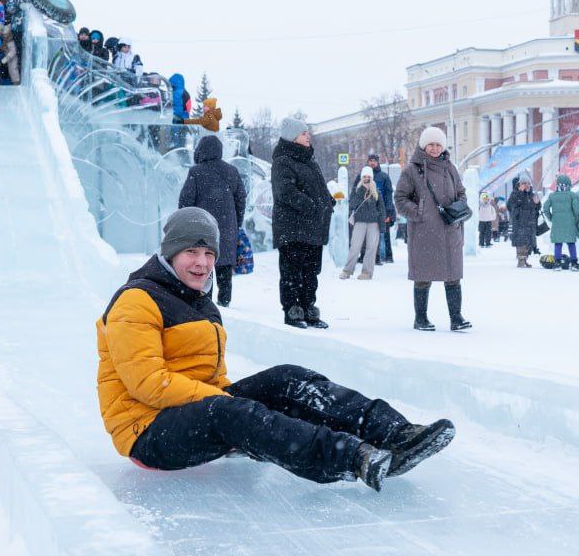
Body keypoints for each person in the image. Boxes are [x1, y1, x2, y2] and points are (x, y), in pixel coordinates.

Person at [96, 207, 456, 491]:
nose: (202, 263)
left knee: (286, 378)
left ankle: (394, 433)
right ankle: (352, 457)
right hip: (146, 432)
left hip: (199, 410)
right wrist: (232, 407)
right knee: (231, 411)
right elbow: (149, 383)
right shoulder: (137, 300)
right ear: (170, 252)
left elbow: (212, 377)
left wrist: (239, 405)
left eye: (208, 253)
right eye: (191, 251)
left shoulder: (200, 302)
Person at [395, 127, 471, 331]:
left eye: (438, 145)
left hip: (450, 229)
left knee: (453, 276)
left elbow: (462, 192)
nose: (435, 148)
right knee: (423, 277)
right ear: (424, 145)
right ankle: (420, 319)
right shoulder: (412, 170)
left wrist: (458, 207)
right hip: (424, 232)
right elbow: (400, 199)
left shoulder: (450, 167)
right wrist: (419, 212)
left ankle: (456, 318)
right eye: (431, 144)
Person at [271, 118, 335, 328]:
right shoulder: (282, 161)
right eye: (303, 133)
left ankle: (308, 308)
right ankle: (292, 311)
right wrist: (312, 205)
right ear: (293, 137)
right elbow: (285, 192)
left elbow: (317, 188)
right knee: (292, 272)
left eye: (307, 132)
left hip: (312, 228)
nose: (308, 136)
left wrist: (327, 200)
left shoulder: (309, 160)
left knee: (310, 272)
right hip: (292, 228)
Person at [178, 133, 246, 308]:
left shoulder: (196, 172)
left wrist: (186, 224)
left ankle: (204, 302)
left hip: (202, 228)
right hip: (227, 228)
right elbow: (241, 199)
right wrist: (236, 223)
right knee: (224, 267)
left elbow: (185, 201)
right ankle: (224, 302)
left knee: (203, 265)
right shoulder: (232, 171)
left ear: (200, 151)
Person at [342, 167, 384, 280]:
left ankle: (367, 273)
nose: (366, 178)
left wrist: (382, 226)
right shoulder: (357, 190)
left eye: (368, 176)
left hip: (374, 223)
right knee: (355, 247)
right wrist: (361, 191)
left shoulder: (376, 191)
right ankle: (347, 271)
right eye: (364, 176)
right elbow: (352, 204)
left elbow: (381, 209)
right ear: (361, 178)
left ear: (371, 177)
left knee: (371, 248)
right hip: (360, 221)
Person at [542, 174, 579, 268]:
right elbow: (577, 210)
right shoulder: (572, 195)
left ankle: (557, 263)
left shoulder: (552, 196)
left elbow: (545, 208)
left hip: (557, 223)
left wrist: (551, 218)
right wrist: (575, 219)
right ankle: (574, 263)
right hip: (570, 223)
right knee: (571, 243)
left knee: (558, 243)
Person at [365, 154, 395, 264]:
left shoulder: (384, 177)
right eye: (370, 160)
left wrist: (388, 212)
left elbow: (388, 195)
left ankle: (386, 256)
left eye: (374, 161)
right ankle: (371, 256)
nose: (372, 163)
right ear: (367, 162)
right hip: (367, 210)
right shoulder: (363, 176)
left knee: (384, 234)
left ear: (378, 162)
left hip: (382, 209)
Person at [507, 175, 540, 267]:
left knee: (528, 243)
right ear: (520, 184)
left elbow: (536, 209)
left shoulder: (532, 194)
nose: (527, 185)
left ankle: (525, 260)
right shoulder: (515, 193)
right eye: (524, 183)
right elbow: (511, 206)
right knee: (521, 242)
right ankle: (521, 260)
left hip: (530, 223)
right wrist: (520, 193)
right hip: (520, 222)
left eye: (528, 183)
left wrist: (538, 203)